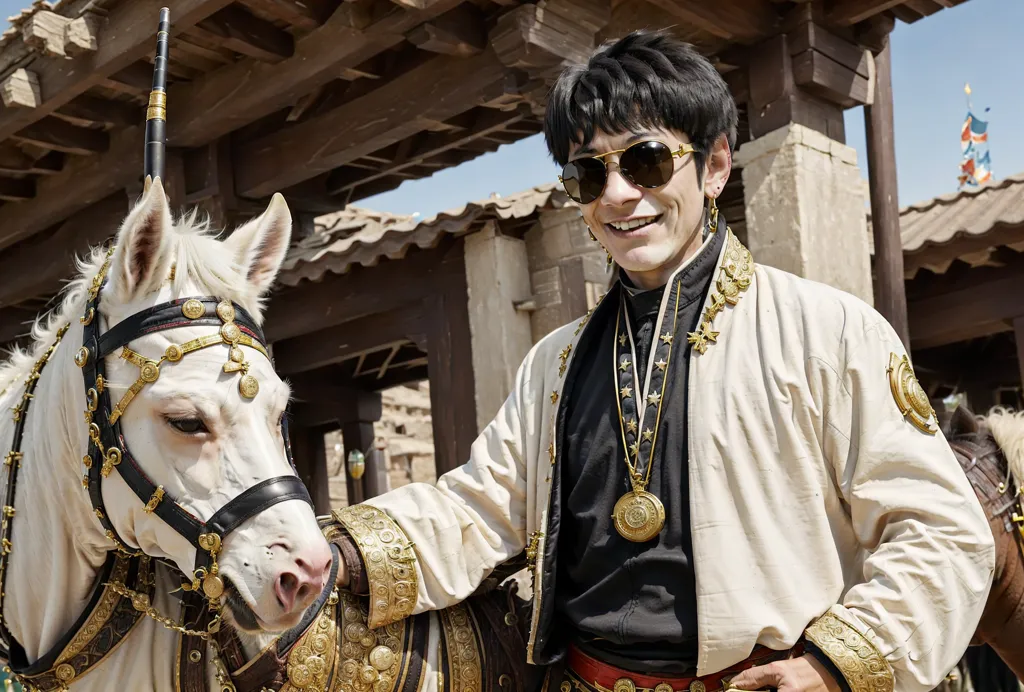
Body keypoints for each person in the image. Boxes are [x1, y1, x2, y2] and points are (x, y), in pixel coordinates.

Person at [330, 29, 995, 692]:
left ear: (714, 166)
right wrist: (337, 552)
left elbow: (943, 535)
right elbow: (479, 510)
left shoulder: (829, 332)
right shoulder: (552, 366)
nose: (617, 194)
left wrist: (833, 667)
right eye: (589, 173)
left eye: (645, 161)